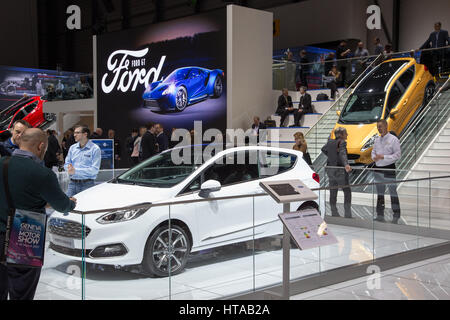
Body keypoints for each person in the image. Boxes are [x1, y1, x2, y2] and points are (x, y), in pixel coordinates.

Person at [0, 128, 76, 300]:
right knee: (22, 292)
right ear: (41, 146)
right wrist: (71, 203)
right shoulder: (42, 174)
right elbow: (63, 205)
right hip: (25, 237)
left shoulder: (2, 163)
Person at [371, 119, 401, 224]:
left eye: (380, 126)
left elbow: (397, 155)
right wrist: (374, 157)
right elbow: (373, 152)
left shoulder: (393, 139)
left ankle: (396, 214)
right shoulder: (376, 140)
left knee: (392, 191)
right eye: (378, 127)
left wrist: (384, 157)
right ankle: (380, 214)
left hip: (389, 168)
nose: (379, 128)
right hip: (378, 169)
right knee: (380, 193)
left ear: (386, 126)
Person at [321, 127, 352, 218]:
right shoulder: (342, 142)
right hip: (340, 170)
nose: (347, 135)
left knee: (333, 191)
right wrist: (346, 164)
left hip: (330, 169)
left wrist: (332, 156)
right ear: (341, 135)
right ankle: (347, 214)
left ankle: (334, 213)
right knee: (347, 191)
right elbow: (343, 154)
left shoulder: (330, 142)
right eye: (346, 133)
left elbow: (323, 149)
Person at [64, 125, 101, 197]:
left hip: (87, 184)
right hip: (72, 183)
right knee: (67, 207)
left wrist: (76, 171)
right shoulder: (72, 148)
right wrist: (69, 168)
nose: (74, 135)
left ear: (85, 134)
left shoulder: (95, 149)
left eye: (77, 133)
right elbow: (67, 164)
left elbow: (94, 170)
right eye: (74, 133)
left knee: (86, 207)